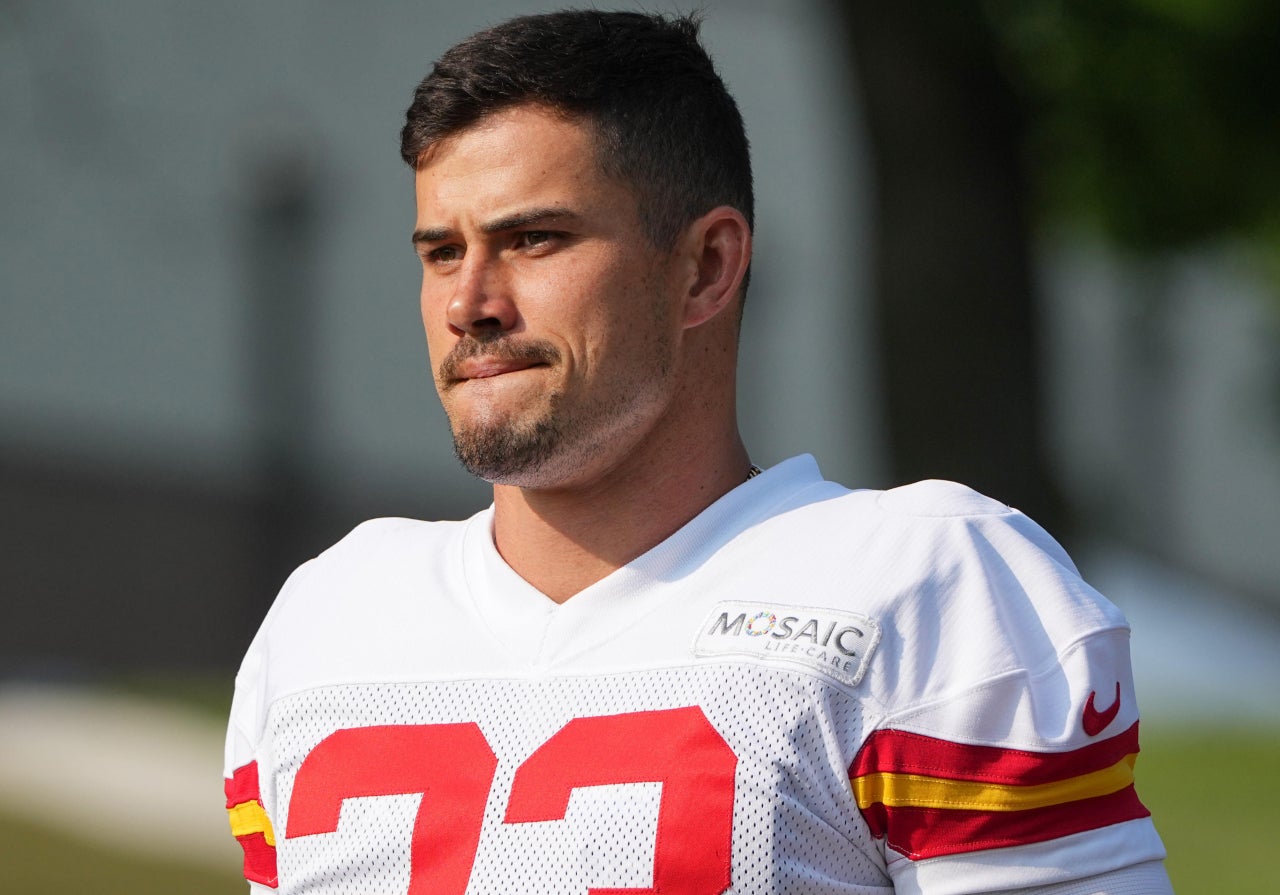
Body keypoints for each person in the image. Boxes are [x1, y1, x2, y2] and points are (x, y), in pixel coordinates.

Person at [223, 10, 1172, 895]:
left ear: (707, 265)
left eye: (535, 239)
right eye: (441, 252)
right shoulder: (330, 617)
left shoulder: (924, 589)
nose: (471, 303)